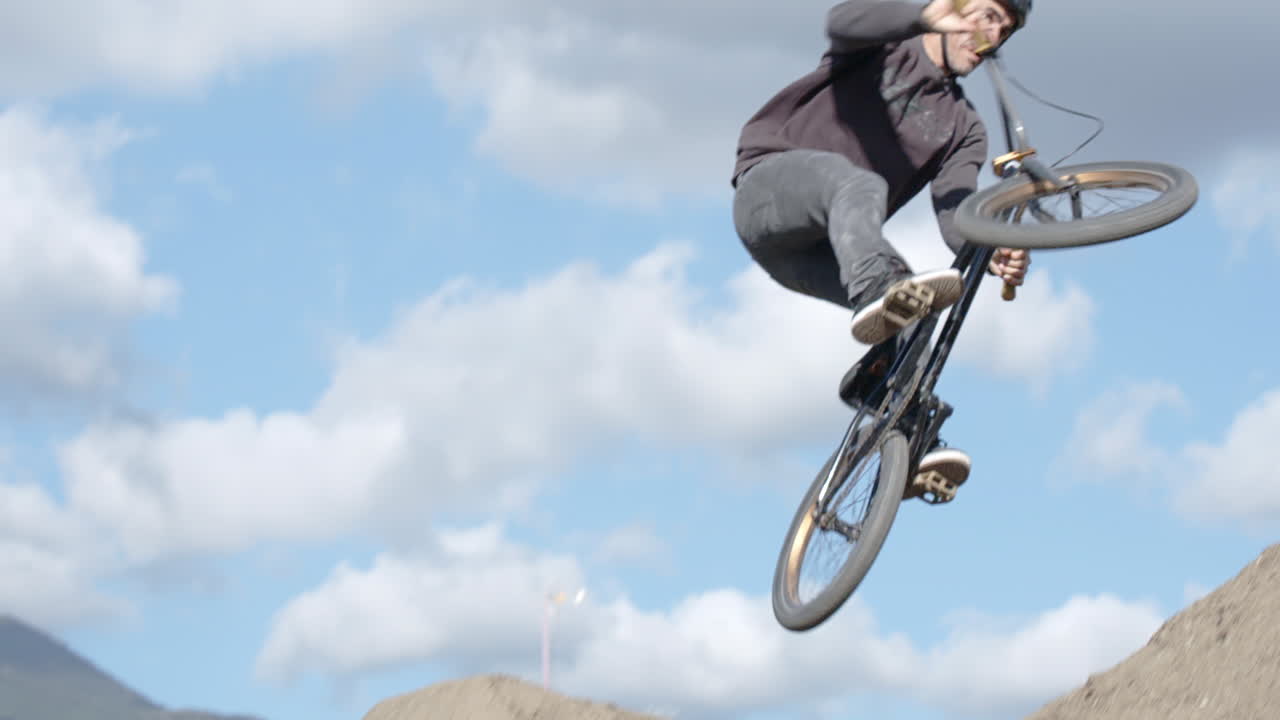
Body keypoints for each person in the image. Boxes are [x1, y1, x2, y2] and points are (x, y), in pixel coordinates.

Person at [730, 0, 1032, 496]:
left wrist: (995, 251)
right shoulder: (884, 47)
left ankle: (905, 435)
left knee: (919, 307)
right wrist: (924, 15)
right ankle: (874, 289)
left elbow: (955, 216)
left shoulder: (964, 127)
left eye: (1004, 29)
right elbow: (842, 21)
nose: (992, 35)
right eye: (986, 15)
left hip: (814, 256)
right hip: (768, 197)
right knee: (859, 187)